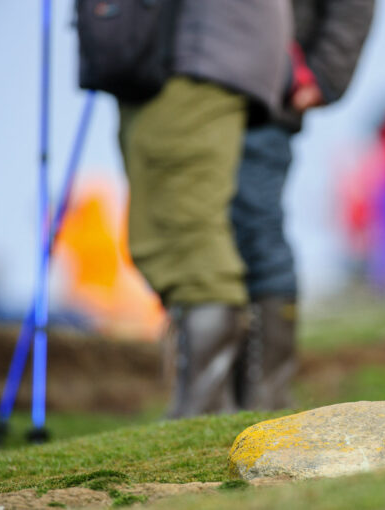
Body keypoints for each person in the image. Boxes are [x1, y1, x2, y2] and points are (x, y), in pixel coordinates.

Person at [117, 1, 292, 417]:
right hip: (189, 51)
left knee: (187, 231)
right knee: (177, 229)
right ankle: (208, 401)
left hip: (194, 53)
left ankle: (205, 406)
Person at [231, 0, 375, 410]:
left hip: (267, 102)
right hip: (205, 97)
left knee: (258, 231)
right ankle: (220, 395)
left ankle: (266, 393)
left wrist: (322, 77)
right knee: (207, 242)